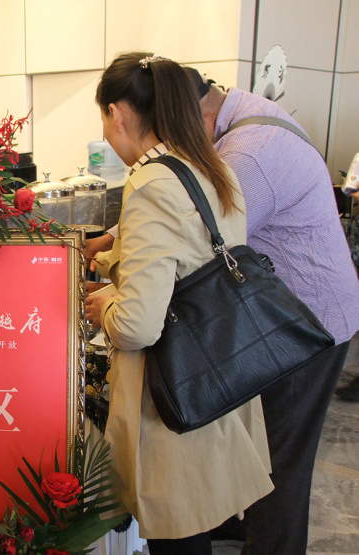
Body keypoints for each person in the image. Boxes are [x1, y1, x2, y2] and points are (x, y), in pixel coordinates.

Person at [84, 52, 273, 555]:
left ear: (118, 113)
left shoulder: (149, 183)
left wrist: (106, 308)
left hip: (173, 391)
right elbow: (190, 266)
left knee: (179, 533)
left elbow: (138, 325)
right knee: (198, 522)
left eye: (103, 117)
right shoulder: (210, 165)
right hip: (220, 364)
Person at [182, 67, 359, 553]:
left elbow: (201, 241)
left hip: (311, 320)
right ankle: (244, 524)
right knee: (259, 440)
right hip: (283, 313)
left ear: (195, 114)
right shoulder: (238, 117)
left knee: (284, 455)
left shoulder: (250, 153)